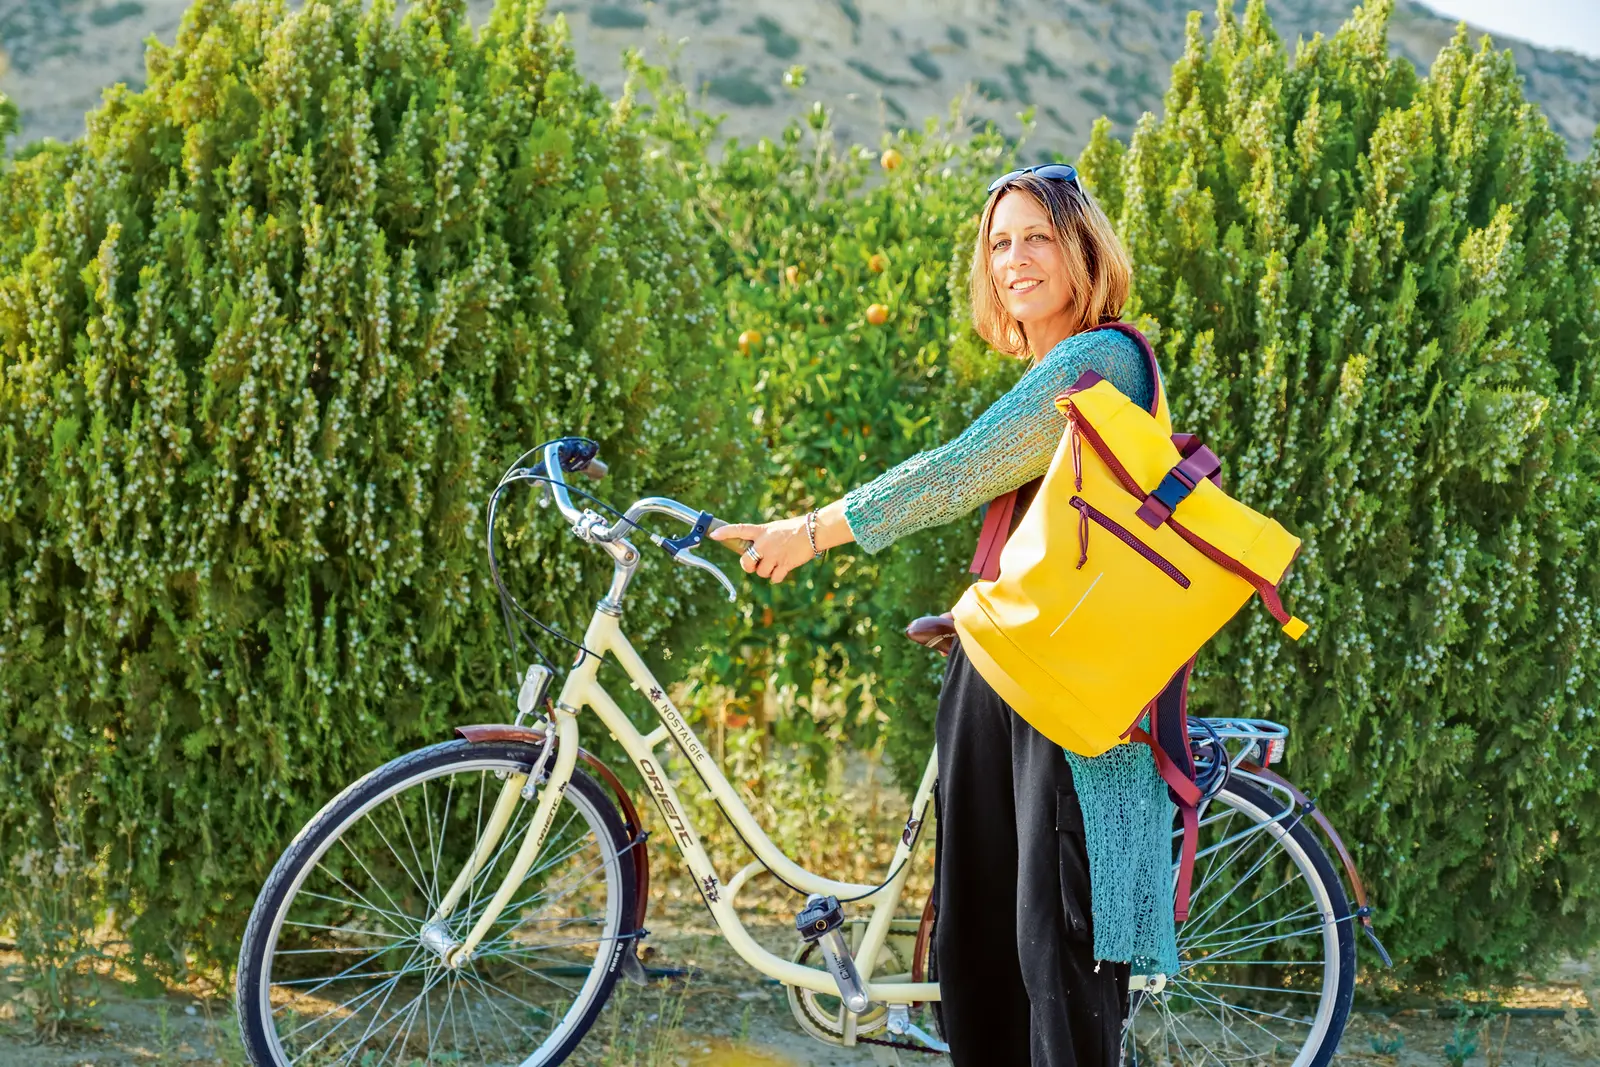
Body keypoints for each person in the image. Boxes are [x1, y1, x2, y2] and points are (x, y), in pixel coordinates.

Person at [710, 163, 1168, 1066]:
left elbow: (959, 468)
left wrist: (811, 530)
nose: (1014, 259)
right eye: (999, 243)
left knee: (1052, 946)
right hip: (1002, 670)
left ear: (1082, 249)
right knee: (978, 946)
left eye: (1036, 236)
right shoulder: (1053, 368)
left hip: (1064, 696)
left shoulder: (1101, 359)